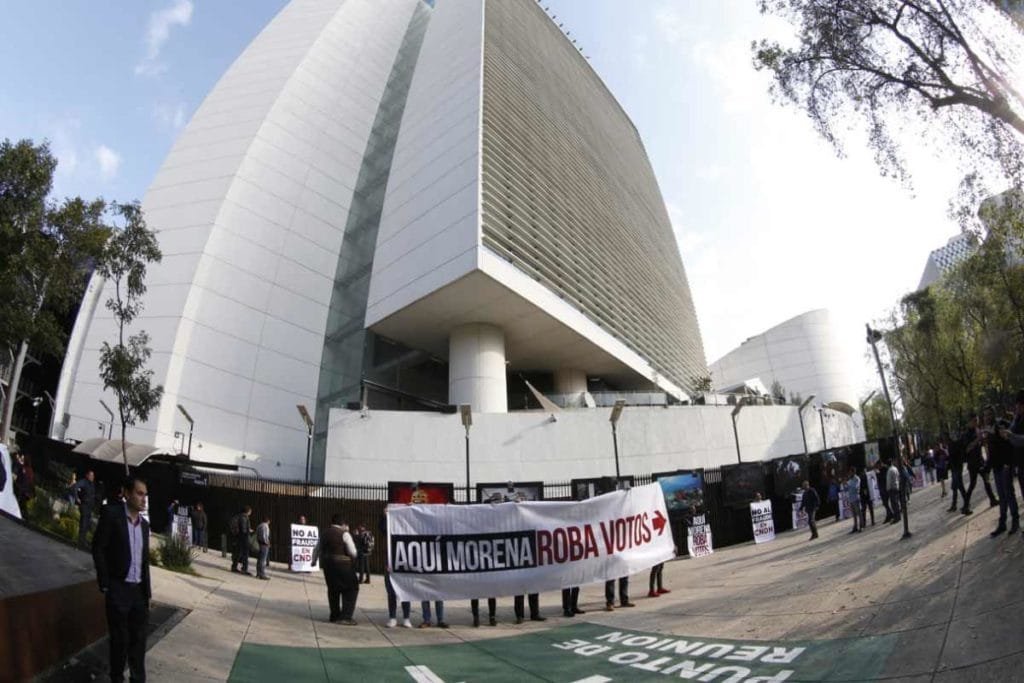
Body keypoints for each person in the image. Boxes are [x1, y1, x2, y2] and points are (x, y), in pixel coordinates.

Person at [92, 476, 151, 683]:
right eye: (139, 493)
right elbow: (98, 547)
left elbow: (144, 562)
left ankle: (137, 679)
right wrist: (105, 582)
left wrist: (146, 594)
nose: (143, 499)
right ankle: (116, 678)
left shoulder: (144, 526)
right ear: (126, 493)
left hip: (138, 592)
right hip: (118, 588)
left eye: (145, 494)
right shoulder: (112, 515)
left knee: (139, 641)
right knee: (120, 640)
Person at [312, 514, 359, 624]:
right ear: (343, 524)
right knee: (351, 589)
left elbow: (317, 549)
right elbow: (353, 552)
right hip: (343, 566)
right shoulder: (345, 534)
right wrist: (354, 558)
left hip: (328, 566)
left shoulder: (324, 534)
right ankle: (346, 617)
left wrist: (313, 561)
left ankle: (334, 615)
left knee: (333, 590)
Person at [983, 406, 1019, 536]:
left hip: (1005, 466)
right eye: (985, 415)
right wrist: (987, 467)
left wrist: (1008, 463)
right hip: (996, 467)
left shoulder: (1000, 425)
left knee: (1009, 494)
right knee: (1002, 496)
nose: (986, 418)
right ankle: (1002, 523)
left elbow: (1009, 441)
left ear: (993, 415)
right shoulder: (987, 431)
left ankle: (1015, 521)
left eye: (988, 415)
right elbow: (991, 451)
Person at [73, 470, 97, 549]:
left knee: (87, 524)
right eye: (91, 475)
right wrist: (77, 498)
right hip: (84, 505)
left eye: (93, 476)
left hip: (90, 507)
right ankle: (80, 542)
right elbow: (76, 487)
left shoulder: (92, 484)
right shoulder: (84, 482)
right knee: (83, 523)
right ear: (87, 475)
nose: (92, 477)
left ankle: (83, 541)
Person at [230, 505, 253, 575]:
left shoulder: (238, 516)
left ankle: (234, 567)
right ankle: (244, 569)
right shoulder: (244, 517)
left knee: (238, 552)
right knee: (245, 554)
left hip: (238, 537)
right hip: (243, 538)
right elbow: (243, 529)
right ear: (248, 511)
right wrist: (249, 531)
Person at [845, 468, 861, 533]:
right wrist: (845, 484)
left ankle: (861, 526)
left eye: (850, 472)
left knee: (859, 513)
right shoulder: (850, 479)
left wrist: (848, 484)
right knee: (854, 514)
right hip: (851, 499)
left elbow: (856, 487)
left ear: (853, 472)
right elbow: (847, 488)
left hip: (856, 498)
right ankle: (855, 527)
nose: (849, 474)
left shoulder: (857, 479)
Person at [256, 515, 271, 580]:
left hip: (259, 543)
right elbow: (265, 536)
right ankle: (262, 574)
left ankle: (258, 573)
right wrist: (267, 542)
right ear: (268, 521)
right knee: (263, 560)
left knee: (259, 559)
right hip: (264, 544)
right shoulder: (265, 526)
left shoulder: (259, 525)